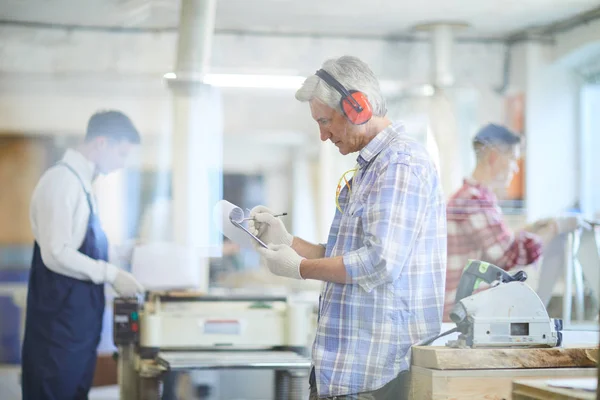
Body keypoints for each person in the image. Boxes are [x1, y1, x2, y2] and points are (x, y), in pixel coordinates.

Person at [249, 56, 447, 399]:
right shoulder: (372, 168)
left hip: (377, 375)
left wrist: (301, 270)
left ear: (358, 107)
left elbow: (378, 262)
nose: (323, 135)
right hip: (349, 370)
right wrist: (289, 242)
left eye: (325, 121)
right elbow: (347, 257)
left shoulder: (399, 164)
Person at [22, 110, 145, 400]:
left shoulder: (83, 186)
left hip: (76, 332)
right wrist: (111, 274)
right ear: (101, 143)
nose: (122, 164)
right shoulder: (61, 182)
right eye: (122, 153)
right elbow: (56, 253)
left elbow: (82, 247)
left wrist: (123, 250)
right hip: (57, 334)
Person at [444, 123, 583, 321]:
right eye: (513, 159)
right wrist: (555, 228)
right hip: (465, 312)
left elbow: (499, 242)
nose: (516, 168)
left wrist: (534, 227)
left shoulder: (472, 197)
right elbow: (509, 255)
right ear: (494, 157)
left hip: (468, 310)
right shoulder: (473, 201)